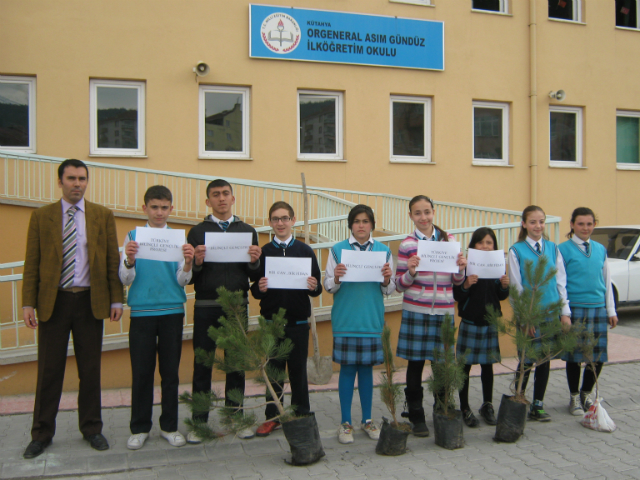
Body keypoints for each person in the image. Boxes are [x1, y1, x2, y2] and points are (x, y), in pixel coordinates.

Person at [21, 159, 123, 459]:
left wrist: (116, 299)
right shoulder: (42, 216)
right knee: (49, 371)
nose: (77, 183)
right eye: (71, 178)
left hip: (90, 301)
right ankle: (41, 433)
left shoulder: (101, 216)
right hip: (54, 301)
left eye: (82, 178)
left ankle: (92, 428)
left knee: (90, 370)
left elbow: (110, 261)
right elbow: (32, 264)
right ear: (60, 181)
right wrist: (28, 302)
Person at [119, 185, 195, 450]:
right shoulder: (132, 236)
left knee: (170, 373)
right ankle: (139, 428)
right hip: (141, 313)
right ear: (145, 208)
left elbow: (182, 280)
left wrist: (187, 264)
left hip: (172, 312)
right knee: (141, 372)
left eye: (164, 207)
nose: (159, 212)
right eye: (154, 207)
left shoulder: (177, 238)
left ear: (171, 209)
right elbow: (125, 278)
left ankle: (169, 426)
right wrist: (129, 260)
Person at [187, 179, 261, 442]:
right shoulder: (196, 232)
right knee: (202, 364)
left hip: (237, 306)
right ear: (208, 201)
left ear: (233, 198)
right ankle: (199, 422)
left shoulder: (248, 231)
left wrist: (255, 262)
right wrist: (195, 263)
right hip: (206, 305)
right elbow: (192, 276)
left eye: (225, 194)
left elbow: (253, 274)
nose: (221, 198)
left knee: (236, 365)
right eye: (215, 195)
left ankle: (235, 418)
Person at [395, 195, 467, 437]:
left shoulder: (450, 241)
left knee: (442, 365)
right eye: (418, 213)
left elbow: (457, 282)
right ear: (410, 216)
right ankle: (416, 416)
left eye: (427, 212)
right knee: (415, 364)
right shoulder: (407, 245)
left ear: (434, 212)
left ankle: (442, 408)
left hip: (444, 312)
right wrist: (412, 272)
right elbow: (399, 285)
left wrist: (462, 268)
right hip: (416, 311)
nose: (423, 217)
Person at [249, 201, 322, 436]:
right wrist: (259, 287)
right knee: (274, 372)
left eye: (284, 218)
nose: (280, 223)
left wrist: (313, 286)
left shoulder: (305, 251)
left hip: (299, 323)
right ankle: (274, 416)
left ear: (293, 221)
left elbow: (317, 288)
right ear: (270, 223)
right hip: (272, 324)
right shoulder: (264, 253)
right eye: (275, 219)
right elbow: (255, 290)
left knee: (298, 371)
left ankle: (301, 414)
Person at [324, 204, 394, 445]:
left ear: (372, 225)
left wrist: (387, 279)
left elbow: (389, 290)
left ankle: (367, 420)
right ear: (350, 225)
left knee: (366, 370)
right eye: (357, 221)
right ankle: (345, 423)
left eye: (365, 221)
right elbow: (328, 286)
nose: (361, 225)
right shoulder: (337, 250)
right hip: (346, 319)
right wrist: (336, 277)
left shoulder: (383, 251)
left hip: (371, 319)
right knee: (347, 369)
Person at [508, 205, 571, 422]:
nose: (538, 226)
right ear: (524, 224)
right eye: (533, 222)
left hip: (551, 313)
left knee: (545, 360)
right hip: (530, 315)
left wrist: (565, 312)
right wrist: (524, 318)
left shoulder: (553, 248)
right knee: (526, 360)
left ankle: (538, 404)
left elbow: (560, 281)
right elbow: (516, 288)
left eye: (541, 221)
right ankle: (518, 399)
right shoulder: (516, 250)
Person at [558, 207, 618, 416]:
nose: (585, 228)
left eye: (589, 224)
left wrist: (611, 309)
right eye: (581, 224)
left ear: (594, 225)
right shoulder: (562, 250)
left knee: (598, 356)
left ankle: (586, 393)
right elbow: (560, 283)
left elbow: (606, 280)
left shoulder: (600, 249)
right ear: (572, 225)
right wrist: (565, 311)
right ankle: (574, 396)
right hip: (575, 309)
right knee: (575, 356)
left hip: (597, 309)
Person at [453, 227, 509, 427]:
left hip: (490, 322)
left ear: (494, 246)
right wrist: (466, 284)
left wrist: (504, 285)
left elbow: (502, 296)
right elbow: (457, 295)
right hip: (470, 321)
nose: (485, 246)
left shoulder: (498, 265)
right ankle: (465, 407)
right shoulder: (466, 266)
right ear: (473, 245)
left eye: (489, 243)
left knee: (488, 366)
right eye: (481, 242)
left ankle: (487, 404)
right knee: (464, 367)